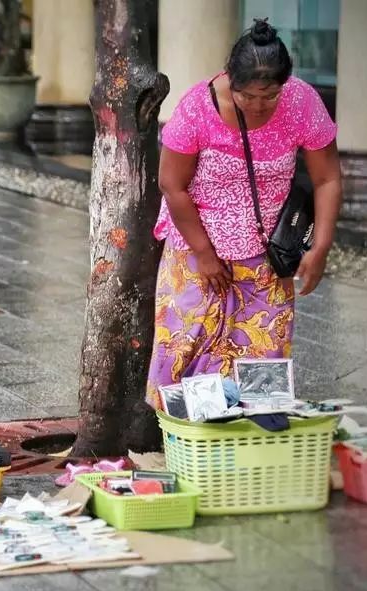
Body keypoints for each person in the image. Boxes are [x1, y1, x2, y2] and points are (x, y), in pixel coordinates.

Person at [146, 19, 342, 408]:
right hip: (196, 253)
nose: (255, 105)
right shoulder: (197, 108)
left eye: (267, 96)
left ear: (284, 85)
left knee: (261, 364)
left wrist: (320, 247)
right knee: (185, 349)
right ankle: (189, 446)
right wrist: (203, 252)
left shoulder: (301, 103)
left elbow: (327, 179)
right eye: (245, 95)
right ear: (228, 79)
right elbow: (172, 185)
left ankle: (254, 443)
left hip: (267, 256)